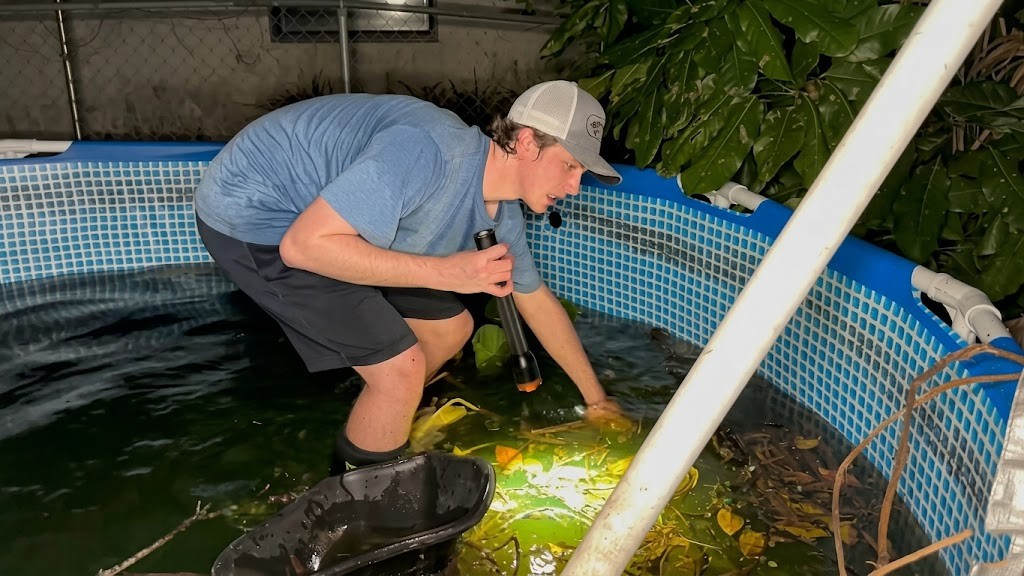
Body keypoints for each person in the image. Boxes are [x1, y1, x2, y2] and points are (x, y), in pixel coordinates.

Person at [193, 79, 627, 473]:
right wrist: (446, 273)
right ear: (527, 142)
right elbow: (303, 247)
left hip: (328, 221)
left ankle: (378, 417)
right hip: (258, 212)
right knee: (401, 369)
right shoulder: (426, 151)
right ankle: (357, 496)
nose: (575, 186)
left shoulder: (503, 216)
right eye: (570, 166)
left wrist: (597, 401)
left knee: (451, 328)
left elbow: (536, 301)